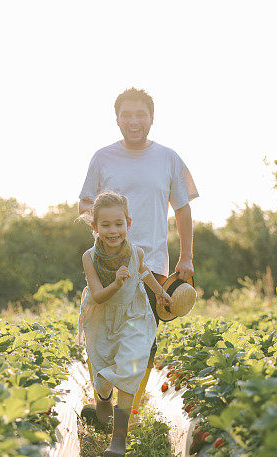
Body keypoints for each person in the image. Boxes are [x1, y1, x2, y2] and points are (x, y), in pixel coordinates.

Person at [78, 87, 198, 420]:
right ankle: (104, 405)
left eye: (140, 114)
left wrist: (185, 257)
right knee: (104, 336)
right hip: (107, 263)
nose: (134, 121)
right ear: (117, 119)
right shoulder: (102, 157)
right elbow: (85, 203)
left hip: (152, 262)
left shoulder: (168, 158)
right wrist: (109, 232)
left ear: (152, 118)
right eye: (127, 114)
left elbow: (183, 209)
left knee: (143, 339)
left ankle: (127, 412)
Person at [77, 191, 173, 457]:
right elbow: (97, 295)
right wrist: (116, 283)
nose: (113, 230)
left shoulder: (136, 252)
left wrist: (160, 292)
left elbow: (143, 272)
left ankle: (119, 438)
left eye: (118, 224)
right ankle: (103, 397)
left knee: (130, 370)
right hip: (101, 318)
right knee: (103, 371)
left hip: (133, 317)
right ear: (95, 227)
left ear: (128, 224)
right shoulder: (89, 257)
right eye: (105, 225)